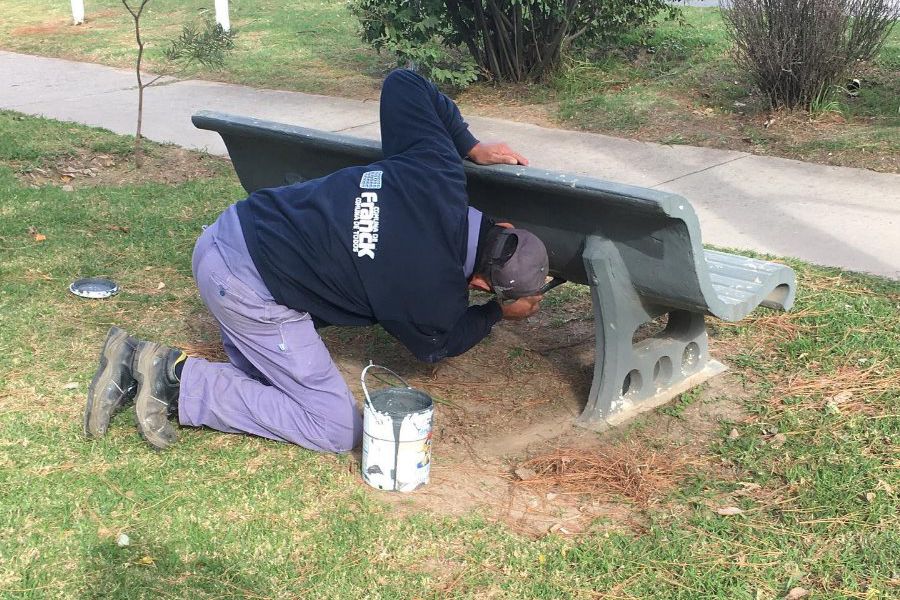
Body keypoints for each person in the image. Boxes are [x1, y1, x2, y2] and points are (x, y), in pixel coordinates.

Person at [83, 69, 549, 453]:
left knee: (264, 380)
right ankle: (174, 376)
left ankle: (132, 361)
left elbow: (403, 82)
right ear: (484, 285)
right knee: (335, 428)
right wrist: (496, 315)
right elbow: (436, 347)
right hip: (245, 289)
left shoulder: (437, 168)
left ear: (504, 225)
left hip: (228, 233)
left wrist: (469, 145)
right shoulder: (436, 300)